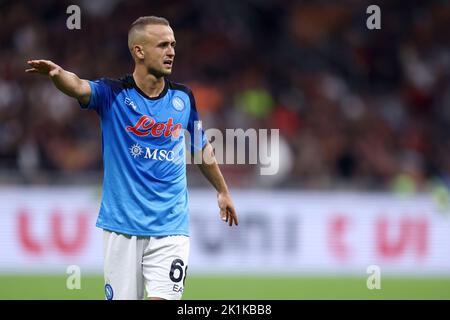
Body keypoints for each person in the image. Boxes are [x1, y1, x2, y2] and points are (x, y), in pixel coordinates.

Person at [25, 16, 238, 300]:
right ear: (139, 51)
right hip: (121, 228)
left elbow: (201, 149)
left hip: (170, 226)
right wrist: (58, 75)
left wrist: (222, 190)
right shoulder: (113, 94)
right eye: (162, 45)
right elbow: (78, 86)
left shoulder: (183, 98)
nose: (171, 51)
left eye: (173, 44)